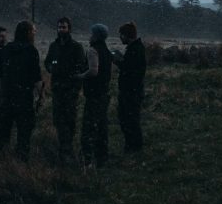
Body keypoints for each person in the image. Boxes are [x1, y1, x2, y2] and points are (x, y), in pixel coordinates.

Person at [0, 20, 43, 162]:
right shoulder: (31, 50)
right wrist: (40, 96)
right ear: (28, 33)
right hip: (24, 97)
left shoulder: (6, 49)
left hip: (8, 96)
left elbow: (0, 75)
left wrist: (3, 94)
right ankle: (21, 161)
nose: (35, 33)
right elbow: (36, 77)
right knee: (24, 131)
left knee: (4, 129)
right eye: (33, 31)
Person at [44, 16, 86, 162]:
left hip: (70, 89)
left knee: (69, 119)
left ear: (69, 29)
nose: (61, 30)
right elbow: (47, 62)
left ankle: (67, 150)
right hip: (57, 89)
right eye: (59, 27)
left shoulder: (76, 47)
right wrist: (51, 68)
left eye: (64, 27)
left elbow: (82, 67)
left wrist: (75, 87)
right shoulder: (53, 46)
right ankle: (63, 148)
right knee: (58, 119)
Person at [77, 23, 113, 168]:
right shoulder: (107, 51)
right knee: (102, 127)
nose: (90, 36)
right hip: (104, 93)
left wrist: (81, 76)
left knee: (88, 127)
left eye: (92, 34)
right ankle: (102, 158)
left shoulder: (93, 50)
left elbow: (93, 71)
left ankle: (87, 159)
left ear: (96, 36)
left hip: (93, 94)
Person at [112, 21, 146, 153]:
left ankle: (134, 146)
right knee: (129, 119)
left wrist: (118, 62)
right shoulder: (136, 48)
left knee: (129, 120)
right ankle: (133, 146)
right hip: (132, 91)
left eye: (121, 35)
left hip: (131, 92)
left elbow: (131, 71)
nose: (120, 38)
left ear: (127, 35)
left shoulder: (135, 50)